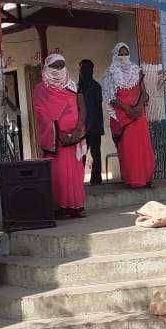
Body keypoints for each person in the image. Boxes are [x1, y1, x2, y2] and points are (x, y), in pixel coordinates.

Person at [33, 53, 87, 219]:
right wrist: (59, 133)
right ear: (47, 67)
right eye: (54, 66)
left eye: (60, 65)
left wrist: (78, 131)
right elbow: (41, 113)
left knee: (75, 175)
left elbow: (81, 108)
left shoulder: (72, 86)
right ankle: (59, 208)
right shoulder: (41, 89)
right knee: (58, 175)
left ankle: (75, 207)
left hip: (74, 139)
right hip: (56, 141)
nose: (57, 69)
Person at [103, 42, 155, 188]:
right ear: (115, 55)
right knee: (128, 149)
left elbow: (144, 92)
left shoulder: (136, 71)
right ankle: (133, 180)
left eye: (126, 53)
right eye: (121, 53)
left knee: (143, 147)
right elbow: (110, 97)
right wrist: (127, 109)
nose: (124, 56)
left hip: (138, 115)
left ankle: (146, 178)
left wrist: (138, 107)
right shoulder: (110, 73)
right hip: (122, 115)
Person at [78, 59, 105, 185]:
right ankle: (78, 179)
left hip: (94, 126)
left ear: (91, 71)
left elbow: (97, 108)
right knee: (81, 154)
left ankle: (96, 179)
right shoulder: (78, 87)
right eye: (82, 69)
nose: (83, 72)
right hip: (82, 127)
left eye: (86, 69)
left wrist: (94, 125)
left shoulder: (96, 87)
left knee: (95, 153)